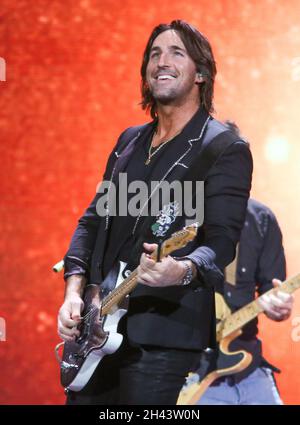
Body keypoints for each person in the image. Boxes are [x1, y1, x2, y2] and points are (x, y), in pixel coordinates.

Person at [57, 20, 253, 405]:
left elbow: (220, 241)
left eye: (177, 52)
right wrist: (73, 291)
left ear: (201, 73)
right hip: (94, 330)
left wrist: (181, 270)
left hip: (162, 336)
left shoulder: (223, 148)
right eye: (154, 53)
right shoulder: (130, 141)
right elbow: (94, 220)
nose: (162, 61)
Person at [193, 123, 294, 405]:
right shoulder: (175, 218)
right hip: (192, 373)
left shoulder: (262, 218)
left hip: (247, 365)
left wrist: (280, 308)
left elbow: (272, 294)